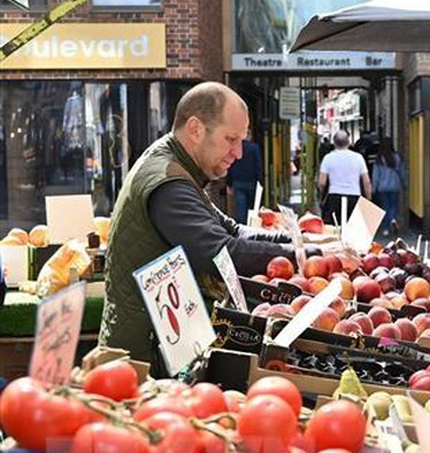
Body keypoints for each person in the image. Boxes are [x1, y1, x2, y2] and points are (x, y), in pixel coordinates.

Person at [100, 82, 299, 366]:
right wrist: (297, 257)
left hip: (162, 344)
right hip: (145, 357)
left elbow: (230, 228)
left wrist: (296, 245)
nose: (239, 153)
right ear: (195, 129)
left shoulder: (176, 167)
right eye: (231, 139)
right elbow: (220, 251)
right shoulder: (168, 181)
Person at [318, 129, 372, 224]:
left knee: (334, 229)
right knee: (354, 229)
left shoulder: (328, 158)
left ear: (334, 143)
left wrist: (323, 193)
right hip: (354, 197)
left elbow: (322, 182)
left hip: (334, 197)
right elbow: (366, 181)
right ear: (349, 143)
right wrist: (368, 198)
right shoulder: (358, 158)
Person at [372, 138, 407, 237]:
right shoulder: (398, 158)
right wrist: (404, 184)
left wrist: (373, 188)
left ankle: (386, 228)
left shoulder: (379, 159)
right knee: (393, 206)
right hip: (395, 186)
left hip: (382, 187)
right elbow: (402, 173)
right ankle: (393, 220)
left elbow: (376, 176)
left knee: (384, 207)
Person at [226, 138, 263, 223]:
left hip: (237, 181)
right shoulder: (254, 147)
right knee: (252, 207)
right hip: (251, 181)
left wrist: (229, 182)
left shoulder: (234, 148)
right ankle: (252, 226)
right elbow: (258, 165)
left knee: (240, 208)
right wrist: (260, 180)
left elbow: (230, 166)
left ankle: (242, 228)